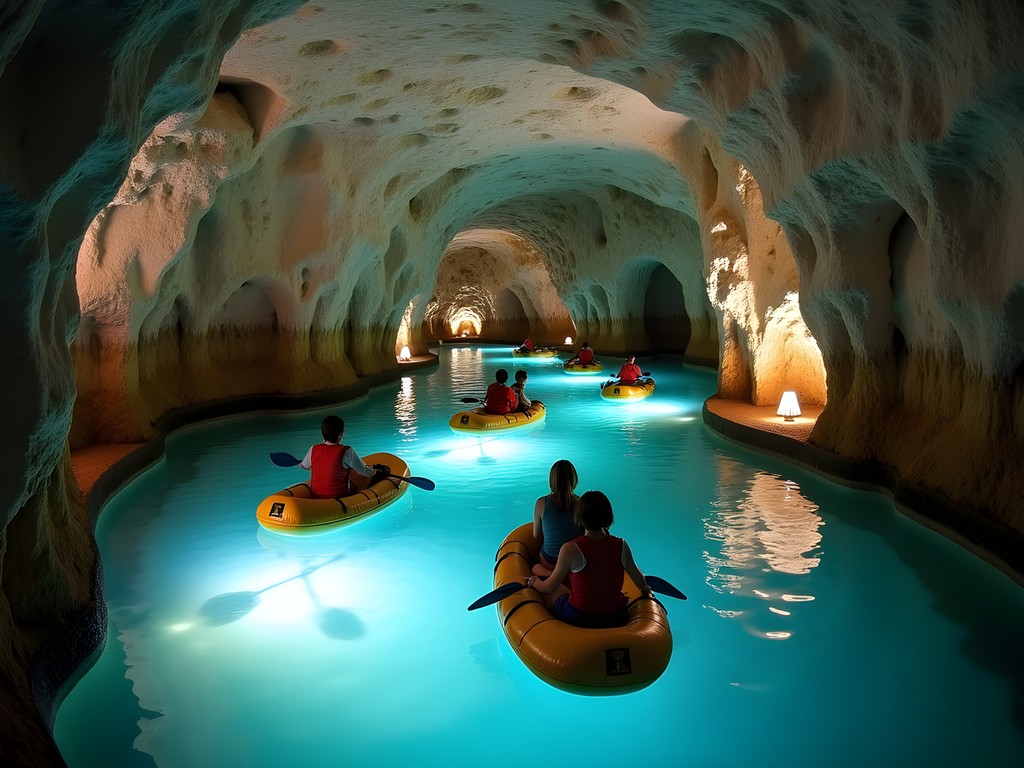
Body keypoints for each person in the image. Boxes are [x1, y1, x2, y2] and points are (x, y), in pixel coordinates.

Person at [527, 490, 652, 628]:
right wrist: (645, 589)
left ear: (579, 517)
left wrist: (535, 582)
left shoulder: (570, 548)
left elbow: (548, 588)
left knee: (554, 593)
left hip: (580, 616)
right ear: (608, 515)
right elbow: (640, 582)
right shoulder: (621, 545)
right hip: (615, 616)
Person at [300, 415, 388, 499]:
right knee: (366, 477)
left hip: (316, 494)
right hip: (338, 496)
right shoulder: (346, 451)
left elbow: (304, 466)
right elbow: (365, 472)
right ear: (340, 435)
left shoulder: (313, 449)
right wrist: (375, 472)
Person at [531, 460, 582, 578]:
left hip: (550, 561)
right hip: (574, 560)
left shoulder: (541, 503)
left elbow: (537, 536)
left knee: (535, 568)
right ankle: (565, 574)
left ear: (551, 481)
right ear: (574, 480)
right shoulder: (580, 503)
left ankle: (553, 575)